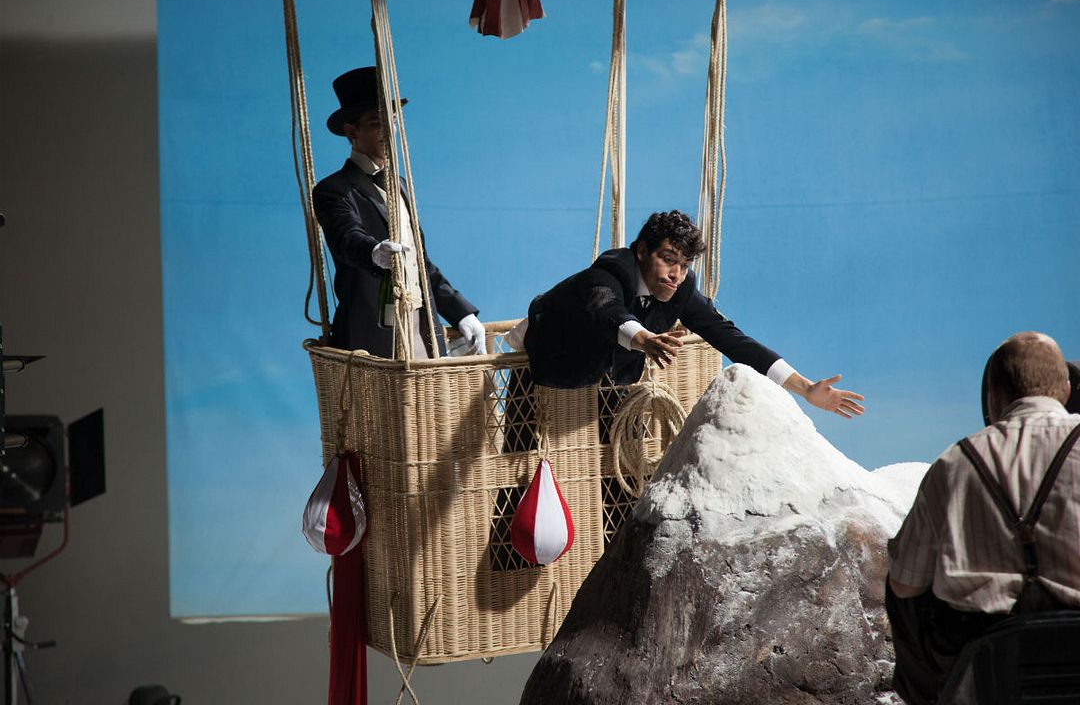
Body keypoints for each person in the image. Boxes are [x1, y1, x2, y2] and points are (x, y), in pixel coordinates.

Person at [511, 210, 865, 417]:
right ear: (641, 251)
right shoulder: (611, 269)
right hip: (548, 350)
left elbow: (731, 338)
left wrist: (805, 389)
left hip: (606, 374)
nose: (675, 274)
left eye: (684, 264)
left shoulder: (682, 287)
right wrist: (644, 338)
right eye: (667, 259)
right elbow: (606, 309)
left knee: (619, 486)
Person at [886, 331, 1080, 705]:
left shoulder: (955, 462)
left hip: (987, 655)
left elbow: (905, 587)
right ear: (1067, 390)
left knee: (902, 579)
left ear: (993, 395)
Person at [313, 67, 485, 357]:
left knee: (429, 402)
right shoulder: (334, 189)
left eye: (392, 120)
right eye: (377, 123)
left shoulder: (400, 185)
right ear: (352, 131)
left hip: (420, 327)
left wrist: (461, 313)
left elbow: (421, 263)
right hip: (370, 333)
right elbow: (346, 237)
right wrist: (374, 252)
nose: (388, 130)